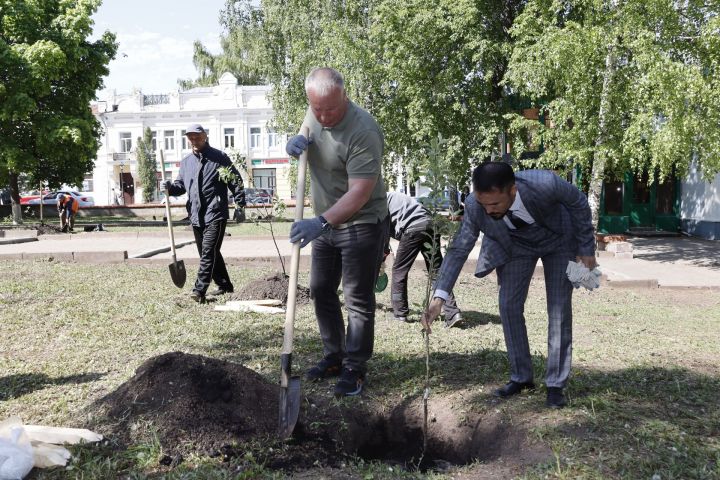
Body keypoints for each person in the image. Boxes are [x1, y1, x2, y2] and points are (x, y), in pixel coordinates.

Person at [421, 161, 596, 408]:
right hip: (516, 246)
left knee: (558, 309)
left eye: (495, 204)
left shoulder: (544, 183)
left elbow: (578, 202)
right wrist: (439, 298)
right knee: (508, 306)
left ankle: (555, 384)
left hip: (560, 240)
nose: (489, 210)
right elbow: (460, 247)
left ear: (512, 191)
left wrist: (586, 248)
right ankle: (521, 377)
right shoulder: (475, 205)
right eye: (484, 204)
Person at [285, 67, 389, 397]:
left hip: (361, 223)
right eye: (317, 109)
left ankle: (355, 368)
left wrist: (320, 223)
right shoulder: (313, 111)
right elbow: (310, 132)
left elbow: (359, 193)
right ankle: (334, 356)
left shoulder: (363, 130)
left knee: (357, 298)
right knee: (320, 290)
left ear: (344, 95)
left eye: (331, 108)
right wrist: (295, 143)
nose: (324, 116)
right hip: (326, 224)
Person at [164, 124, 245, 304]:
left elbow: (235, 181)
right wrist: (169, 188)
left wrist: (240, 204)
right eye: (190, 138)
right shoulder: (186, 163)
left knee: (208, 252)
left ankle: (199, 290)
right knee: (209, 252)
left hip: (215, 213)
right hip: (196, 215)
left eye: (197, 137)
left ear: (205, 137)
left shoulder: (219, 158)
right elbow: (180, 186)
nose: (194, 141)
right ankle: (224, 285)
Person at [385, 191, 462, 327]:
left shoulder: (378, 200)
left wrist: (383, 252)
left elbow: (381, 230)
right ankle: (453, 313)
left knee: (399, 271)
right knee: (437, 271)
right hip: (431, 225)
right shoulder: (395, 197)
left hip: (413, 227)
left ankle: (400, 314)